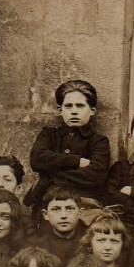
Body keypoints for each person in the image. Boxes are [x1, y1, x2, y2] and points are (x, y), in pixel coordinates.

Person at [25, 79, 110, 229]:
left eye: (80, 106)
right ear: (59, 110)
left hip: (84, 209)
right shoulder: (49, 134)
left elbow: (96, 176)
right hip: (47, 205)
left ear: (92, 110)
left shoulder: (98, 142)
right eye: (68, 106)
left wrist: (51, 176)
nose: (74, 111)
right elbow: (37, 159)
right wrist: (76, 162)